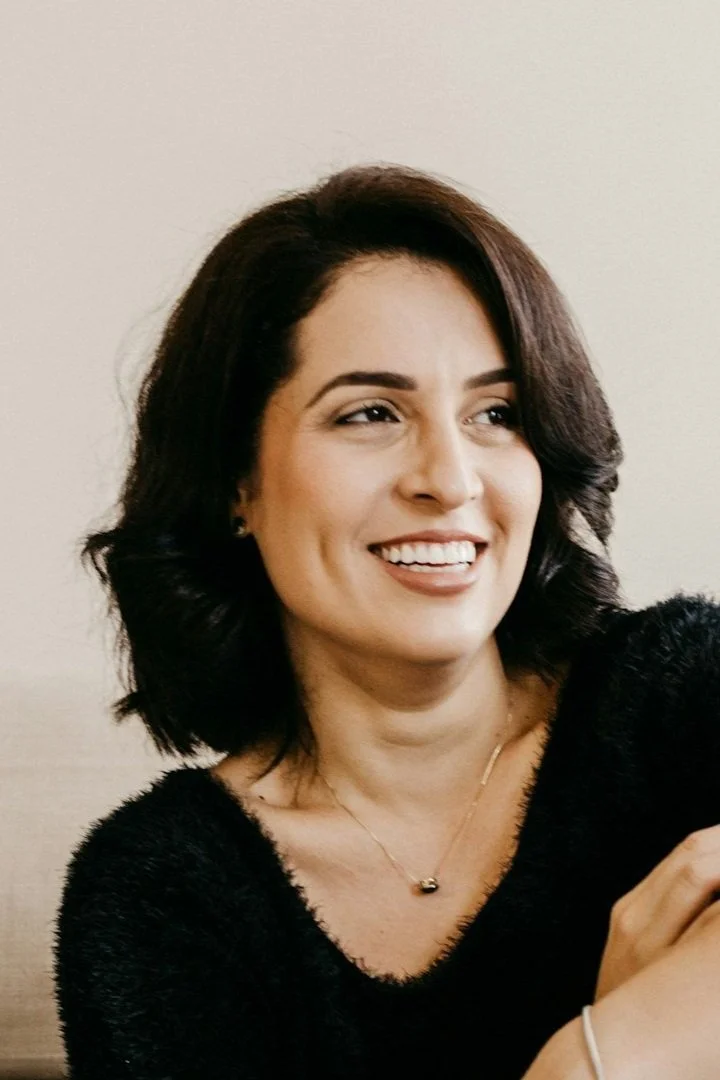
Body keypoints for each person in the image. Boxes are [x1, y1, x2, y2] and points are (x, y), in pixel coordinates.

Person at [53, 164, 720, 1080]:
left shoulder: (679, 697)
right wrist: (598, 1060)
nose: (449, 478)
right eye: (371, 413)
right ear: (235, 481)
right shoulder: (163, 895)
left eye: (498, 413)